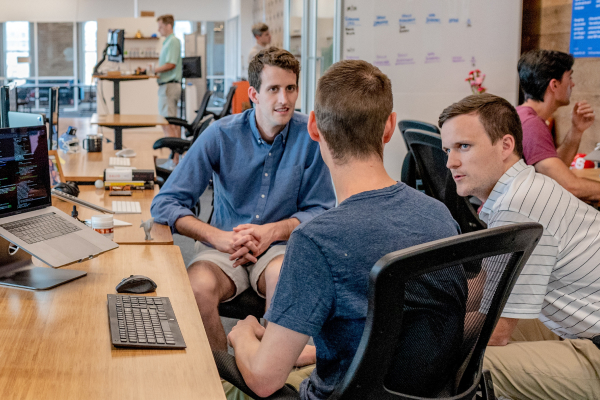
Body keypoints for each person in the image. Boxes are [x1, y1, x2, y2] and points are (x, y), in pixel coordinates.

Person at [226, 60, 468, 400]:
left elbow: (264, 379)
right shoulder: (439, 216)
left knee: (223, 385)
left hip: (339, 393)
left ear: (313, 127)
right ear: (389, 127)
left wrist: (242, 334)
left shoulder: (316, 240)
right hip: (422, 393)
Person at [151, 47, 335, 353]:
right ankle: (222, 372)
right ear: (254, 94)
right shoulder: (221, 135)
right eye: (273, 89)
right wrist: (216, 237)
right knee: (196, 288)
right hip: (224, 246)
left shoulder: (311, 137)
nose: (284, 99)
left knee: (284, 280)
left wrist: (273, 231)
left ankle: (268, 369)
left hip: (280, 247)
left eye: (290, 88)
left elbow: (322, 210)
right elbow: (165, 203)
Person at [439, 93, 600, 399]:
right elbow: (488, 284)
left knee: (467, 363)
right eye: (447, 149)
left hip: (595, 348)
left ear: (506, 145)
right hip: (583, 327)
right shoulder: (522, 188)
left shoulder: (518, 204)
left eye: (464, 146)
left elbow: (498, 331)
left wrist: (413, 334)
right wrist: (425, 307)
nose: (450, 162)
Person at [517, 49, 598, 201]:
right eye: (569, 77)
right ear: (554, 84)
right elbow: (569, 186)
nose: (572, 84)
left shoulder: (524, 116)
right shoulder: (531, 125)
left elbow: (554, 172)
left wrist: (576, 130)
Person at [155, 14, 183, 166]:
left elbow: (171, 64)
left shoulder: (173, 41)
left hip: (169, 86)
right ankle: (176, 159)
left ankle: (175, 160)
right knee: (171, 123)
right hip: (168, 86)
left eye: (160, 26)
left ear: (168, 26)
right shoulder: (167, 42)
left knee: (168, 123)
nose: (158, 30)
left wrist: (154, 70)